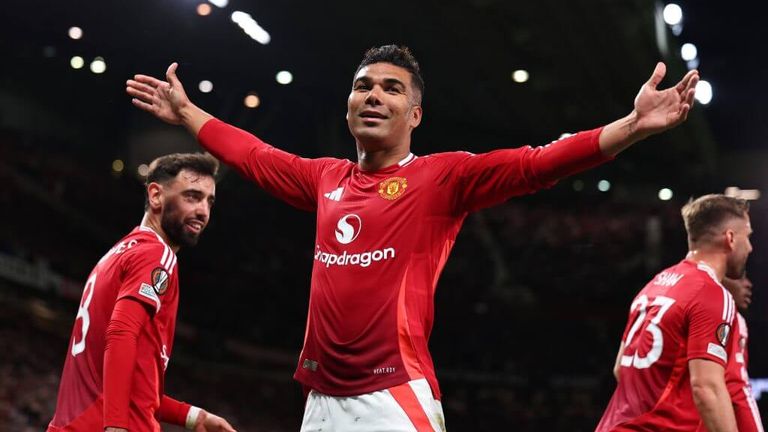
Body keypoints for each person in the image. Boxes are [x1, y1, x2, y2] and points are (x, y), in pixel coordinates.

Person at [127, 45, 698, 431]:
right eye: (363, 86)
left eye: (391, 89)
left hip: (393, 396)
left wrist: (630, 127)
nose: (373, 95)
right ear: (348, 104)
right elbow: (254, 155)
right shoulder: (325, 178)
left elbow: (536, 164)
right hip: (319, 400)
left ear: (415, 114)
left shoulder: (441, 177)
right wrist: (189, 112)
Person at [47, 153, 236, 432]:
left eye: (209, 201)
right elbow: (121, 333)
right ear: (156, 195)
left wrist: (193, 416)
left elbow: (132, 386)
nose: (203, 211)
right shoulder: (157, 254)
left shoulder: (116, 254)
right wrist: (115, 426)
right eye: (192, 197)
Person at [595, 194, 752, 432]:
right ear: (730, 238)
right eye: (748, 236)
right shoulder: (711, 293)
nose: (750, 247)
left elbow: (620, 369)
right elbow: (707, 389)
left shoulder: (654, 285)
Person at [704, 274, 764, 432]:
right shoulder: (730, 319)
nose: (748, 284)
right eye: (740, 277)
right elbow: (736, 387)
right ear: (720, 280)